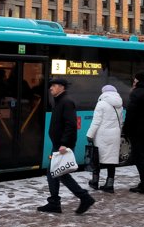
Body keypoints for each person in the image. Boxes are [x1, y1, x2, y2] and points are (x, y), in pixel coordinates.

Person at [37, 78, 95, 214]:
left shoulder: (66, 102)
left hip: (62, 146)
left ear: (62, 87)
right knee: (53, 173)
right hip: (58, 145)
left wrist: (65, 144)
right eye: (50, 85)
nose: (51, 88)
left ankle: (84, 197)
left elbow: (71, 125)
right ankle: (54, 202)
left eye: (54, 86)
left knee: (60, 174)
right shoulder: (59, 101)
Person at [86, 84, 123, 193]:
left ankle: (95, 181)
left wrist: (90, 135)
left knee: (96, 158)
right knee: (111, 160)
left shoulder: (101, 104)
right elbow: (120, 121)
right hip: (115, 134)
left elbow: (96, 122)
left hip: (102, 135)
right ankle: (109, 184)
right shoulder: (119, 105)